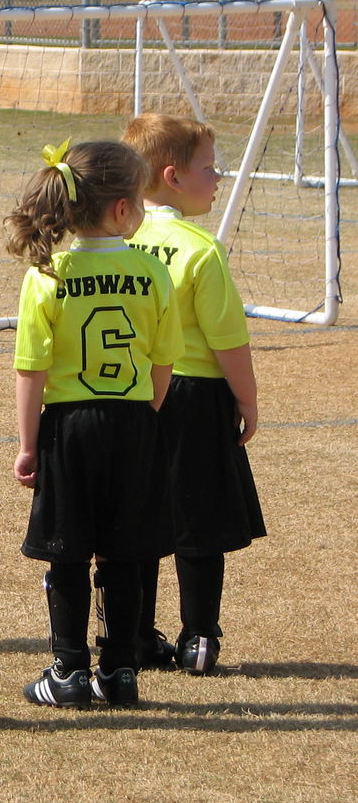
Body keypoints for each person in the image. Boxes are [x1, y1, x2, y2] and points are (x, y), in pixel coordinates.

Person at [6, 139, 183, 710]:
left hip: (70, 427)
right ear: (123, 209)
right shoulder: (152, 272)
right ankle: (121, 671)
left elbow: (31, 369)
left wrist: (28, 446)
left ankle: (69, 671)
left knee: (69, 552)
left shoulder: (49, 273)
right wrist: (142, 419)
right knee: (125, 553)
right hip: (133, 423)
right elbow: (163, 364)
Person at [123, 114, 265, 677]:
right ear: (172, 176)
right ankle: (199, 638)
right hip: (196, 394)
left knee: (140, 512)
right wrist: (248, 401)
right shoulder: (200, 250)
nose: (219, 176)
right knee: (198, 517)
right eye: (209, 167)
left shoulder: (119, 242)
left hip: (133, 394)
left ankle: (135, 634)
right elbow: (228, 340)